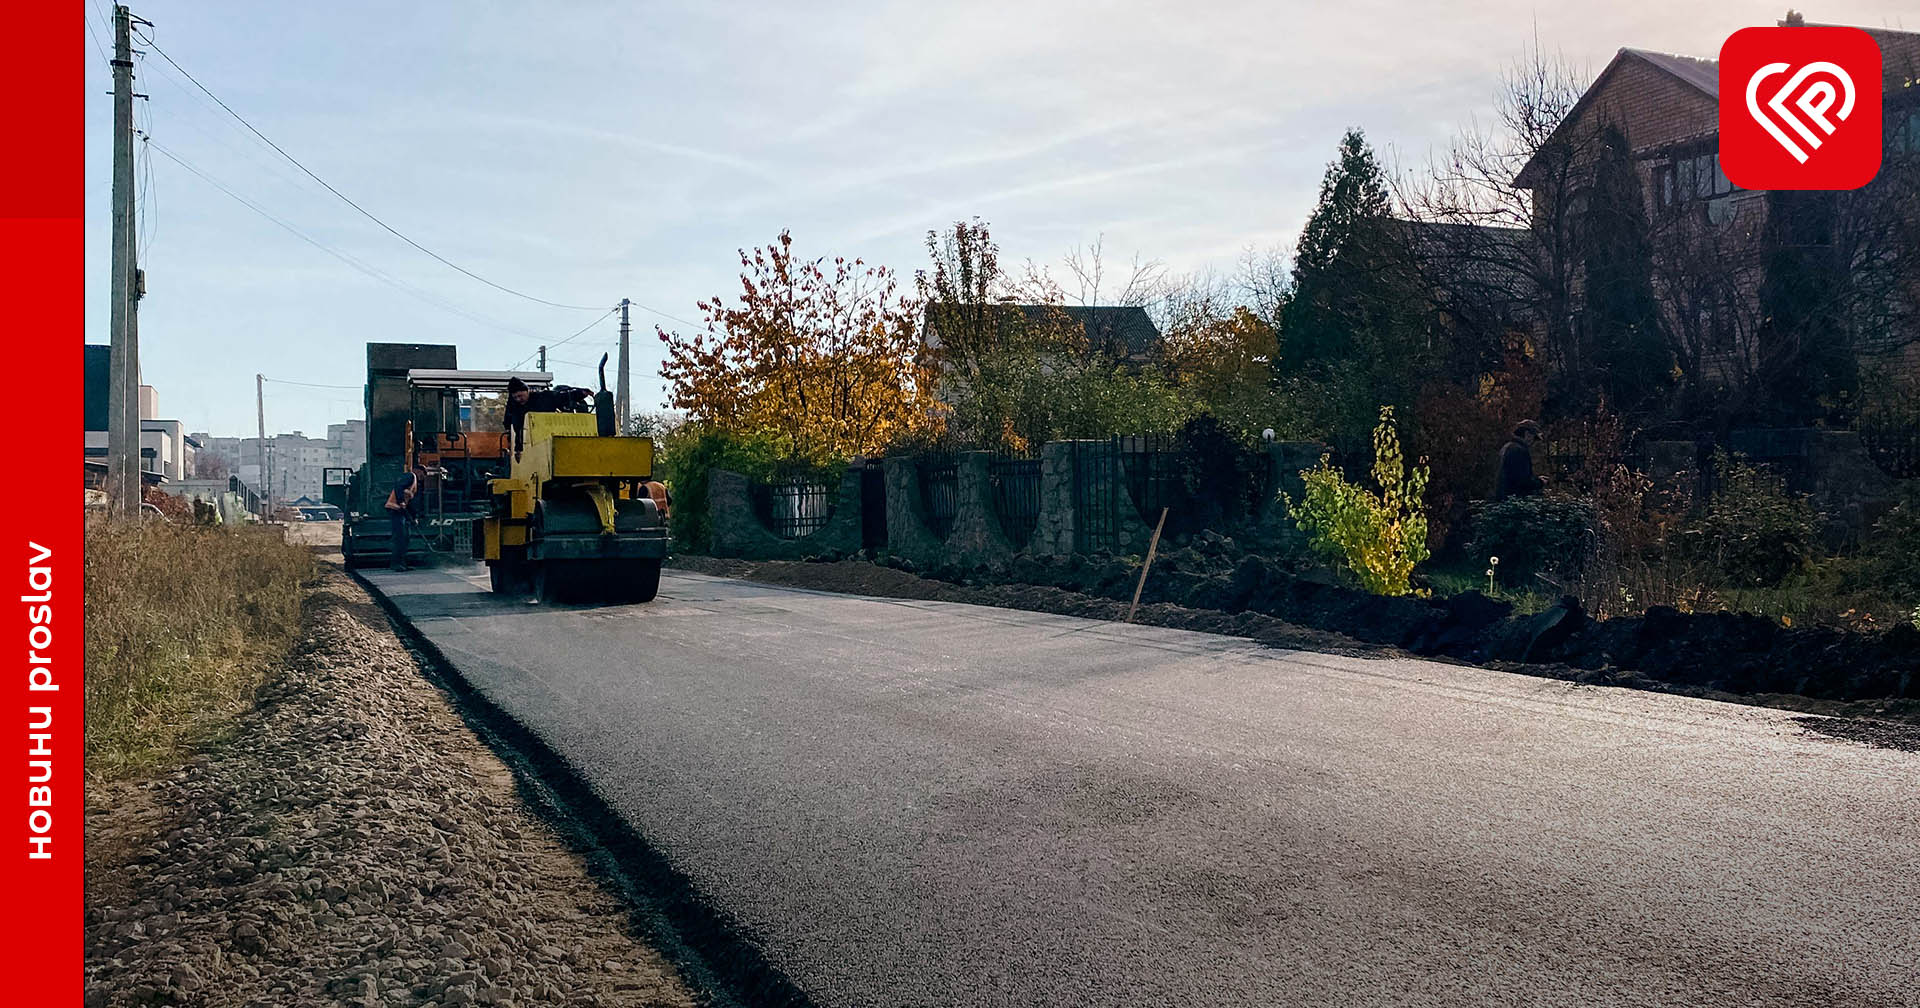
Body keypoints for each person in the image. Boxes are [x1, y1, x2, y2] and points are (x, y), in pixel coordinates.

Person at [504, 376, 593, 461]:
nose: (519, 399)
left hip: (550, 438)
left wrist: (581, 394)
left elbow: (562, 397)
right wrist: (518, 449)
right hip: (530, 446)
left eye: (520, 396)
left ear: (527, 391)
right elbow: (518, 430)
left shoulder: (543, 398)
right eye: (515, 397)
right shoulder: (515, 410)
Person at [385, 464, 426, 571]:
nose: (423, 476)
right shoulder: (410, 476)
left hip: (401, 511)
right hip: (395, 509)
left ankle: (402, 563)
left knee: (405, 538)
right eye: (423, 473)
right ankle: (396, 564)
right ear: (417, 470)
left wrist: (413, 517)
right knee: (400, 537)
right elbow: (398, 487)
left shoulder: (414, 484)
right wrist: (401, 501)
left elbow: (410, 502)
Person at [1494, 419, 1545, 501]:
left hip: (1503, 498)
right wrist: (1539, 482)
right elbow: (1522, 481)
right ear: (1527, 434)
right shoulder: (1519, 450)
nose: (1533, 442)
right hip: (1513, 501)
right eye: (1534, 438)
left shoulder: (1507, 447)